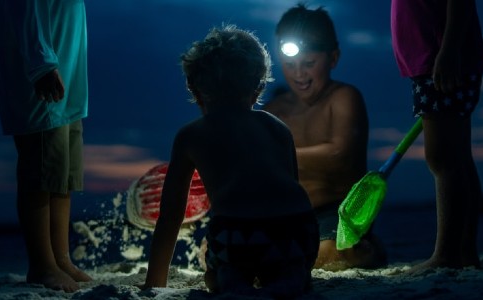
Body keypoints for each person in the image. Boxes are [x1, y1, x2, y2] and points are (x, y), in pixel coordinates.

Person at [142, 25, 319, 298]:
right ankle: (291, 275)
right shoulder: (277, 127)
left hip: (240, 236)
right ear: (258, 89)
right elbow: (292, 191)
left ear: (194, 87)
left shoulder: (191, 135)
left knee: (213, 267)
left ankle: (229, 278)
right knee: (283, 259)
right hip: (299, 234)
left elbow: (170, 216)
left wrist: (154, 283)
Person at [261, 3, 387, 271]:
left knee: (329, 255)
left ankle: (366, 248)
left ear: (333, 58)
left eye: (309, 63)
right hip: (284, 214)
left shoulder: (343, 98)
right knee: (218, 249)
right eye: (290, 64)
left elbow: (339, 155)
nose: (299, 73)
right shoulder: (272, 110)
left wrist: (273, 156)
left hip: (335, 211)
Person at [0, 0, 91, 292]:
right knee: (40, 171)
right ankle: (41, 264)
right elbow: (22, 7)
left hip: (69, 73)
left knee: (61, 175)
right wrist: (41, 65)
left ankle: (60, 258)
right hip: (42, 71)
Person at [391, 0, 483, 272]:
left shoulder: (445, 53)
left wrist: (449, 49)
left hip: (440, 58)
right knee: (458, 158)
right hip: (436, 58)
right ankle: (465, 252)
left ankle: (447, 256)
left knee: (443, 158)